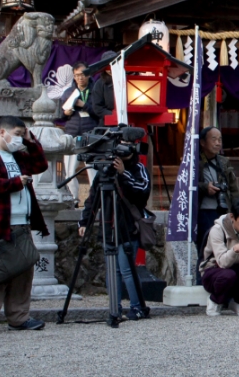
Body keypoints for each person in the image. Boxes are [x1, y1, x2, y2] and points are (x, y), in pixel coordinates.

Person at [0, 116, 50, 335]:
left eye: (21, 135)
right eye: (16, 134)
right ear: (1, 132)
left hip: (21, 223)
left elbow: (40, 164)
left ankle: (19, 317)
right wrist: (14, 183)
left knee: (23, 271)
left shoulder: (19, 157)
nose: (19, 139)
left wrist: (31, 142)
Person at [77, 141, 152, 321]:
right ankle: (115, 308)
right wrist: (85, 222)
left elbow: (142, 193)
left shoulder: (138, 168)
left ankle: (137, 307)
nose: (122, 151)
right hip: (108, 225)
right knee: (113, 270)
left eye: (126, 147)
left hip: (128, 226)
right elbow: (93, 198)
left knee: (127, 269)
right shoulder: (105, 170)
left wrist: (123, 173)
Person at [196, 127, 239, 258]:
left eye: (220, 139)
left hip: (223, 210)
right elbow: (186, 184)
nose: (218, 143)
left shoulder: (223, 162)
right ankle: (202, 276)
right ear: (203, 142)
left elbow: (233, 188)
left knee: (223, 247)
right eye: (214, 139)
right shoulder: (195, 161)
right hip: (203, 211)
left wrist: (237, 210)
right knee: (205, 248)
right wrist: (205, 187)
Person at [60, 61, 100, 202]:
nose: (80, 78)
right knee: (69, 171)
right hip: (72, 133)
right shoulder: (68, 93)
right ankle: (74, 200)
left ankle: (95, 199)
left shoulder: (96, 90)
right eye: (77, 75)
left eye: (83, 75)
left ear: (89, 75)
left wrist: (85, 106)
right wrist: (66, 112)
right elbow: (59, 116)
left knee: (92, 169)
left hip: (90, 134)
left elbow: (100, 113)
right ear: (73, 76)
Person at [91, 51, 117, 122]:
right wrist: (113, 115)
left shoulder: (128, 78)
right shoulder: (99, 84)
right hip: (108, 122)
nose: (110, 69)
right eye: (107, 66)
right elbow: (97, 107)